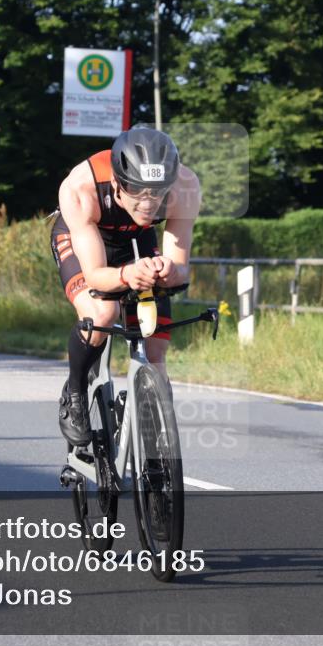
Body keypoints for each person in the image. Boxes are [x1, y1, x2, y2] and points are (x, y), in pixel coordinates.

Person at [50, 127, 201, 447]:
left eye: (158, 194)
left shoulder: (185, 186)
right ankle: (74, 392)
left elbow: (181, 269)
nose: (149, 205)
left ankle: (155, 420)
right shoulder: (81, 187)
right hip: (86, 240)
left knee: (156, 349)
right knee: (103, 313)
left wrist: (168, 271)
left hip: (136, 240)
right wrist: (125, 277)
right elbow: (94, 275)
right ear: (118, 185)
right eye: (140, 193)